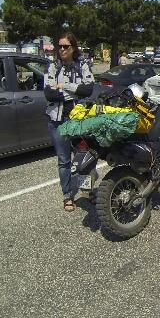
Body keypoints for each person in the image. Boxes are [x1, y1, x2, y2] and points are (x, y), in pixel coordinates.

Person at [44, 33, 94, 212]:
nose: (62, 50)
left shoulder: (83, 65)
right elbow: (49, 94)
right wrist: (75, 91)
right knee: (64, 160)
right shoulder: (51, 66)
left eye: (66, 46)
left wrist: (65, 86)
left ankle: (87, 191)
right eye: (60, 46)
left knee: (85, 157)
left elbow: (88, 90)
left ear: (73, 47)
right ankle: (67, 195)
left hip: (78, 118)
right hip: (57, 120)